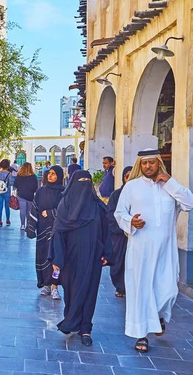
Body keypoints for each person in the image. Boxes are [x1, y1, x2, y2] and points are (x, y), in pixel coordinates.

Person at [114, 149, 193, 353]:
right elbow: (119, 212)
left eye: (152, 163)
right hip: (141, 250)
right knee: (142, 292)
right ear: (140, 165)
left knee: (168, 290)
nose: (148, 166)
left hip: (166, 251)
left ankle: (157, 317)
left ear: (159, 164)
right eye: (145, 163)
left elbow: (189, 203)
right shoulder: (132, 187)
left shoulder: (170, 186)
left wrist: (170, 182)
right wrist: (131, 221)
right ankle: (142, 334)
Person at [50, 169, 112, 346]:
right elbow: (59, 232)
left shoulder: (98, 206)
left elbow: (107, 231)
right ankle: (72, 320)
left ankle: (86, 328)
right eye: (80, 180)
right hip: (71, 258)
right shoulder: (65, 205)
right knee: (72, 291)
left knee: (90, 292)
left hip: (93, 256)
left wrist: (107, 253)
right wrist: (57, 259)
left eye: (87, 180)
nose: (84, 184)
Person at [27, 165, 64, 300]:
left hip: (58, 231)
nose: (50, 176)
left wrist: (49, 213)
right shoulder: (41, 191)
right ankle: (46, 285)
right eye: (49, 173)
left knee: (56, 258)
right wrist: (31, 228)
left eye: (54, 174)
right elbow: (34, 208)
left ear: (59, 176)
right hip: (43, 230)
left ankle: (55, 287)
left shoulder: (64, 192)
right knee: (43, 257)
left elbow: (65, 210)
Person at [106, 166, 133, 298]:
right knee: (118, 262)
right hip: (119, 235)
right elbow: (110, 215)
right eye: (127, 176)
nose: (129, 179)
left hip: (135, 235)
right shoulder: (116, 195)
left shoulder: (139, 194)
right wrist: (123, 227)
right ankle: (120, 286)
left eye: (132, 176)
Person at [13, 162, 38, 230]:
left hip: (21, 195)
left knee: (22, 210)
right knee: (29, 211)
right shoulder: (33, 177)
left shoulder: (19, 176)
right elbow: (36, 187)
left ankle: (22, 225)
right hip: (30, 195)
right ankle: (28, 224)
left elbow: (15, 185)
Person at [0, 159, 12, 227]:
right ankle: (7, 220)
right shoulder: (9, 174)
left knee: (0, 206)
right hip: (7, 191)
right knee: (7, 206)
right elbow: (11, 183)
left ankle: (0, 221)